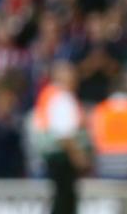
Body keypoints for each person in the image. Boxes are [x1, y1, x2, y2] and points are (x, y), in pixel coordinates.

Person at [31, 60, 88, 214]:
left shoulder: (50, 94)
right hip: (62, 158)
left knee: (60, 199)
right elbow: (65, 134)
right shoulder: (62, 97)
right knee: (64, 201)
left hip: (52, 157)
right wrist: (79, 157)